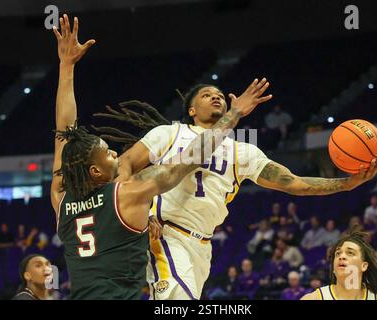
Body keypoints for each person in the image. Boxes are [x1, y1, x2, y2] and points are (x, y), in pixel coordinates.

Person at [94, 48, 377, 303]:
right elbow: (124, 165)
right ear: (192, 110)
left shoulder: (242, 151)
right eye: (207, 95)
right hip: (166, 232)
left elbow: (294, 183)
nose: (216, 98)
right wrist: (137, 213)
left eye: (220, 95)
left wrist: (347, 183)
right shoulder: (170, 134)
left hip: (202, 244)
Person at [50, 14, 266, 300]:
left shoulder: (61, 198)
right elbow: (189, 159)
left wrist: (66, 67)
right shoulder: (126, 194)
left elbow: (64, 132)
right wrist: (234, 114)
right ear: (95, 172)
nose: (116, 153)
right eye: (108, 153)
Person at [301, 231, 377, 300]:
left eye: (350, 253)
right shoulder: (314, 298)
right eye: (338, 253)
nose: (341, 256)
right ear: (333, 269)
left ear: (364, 266)